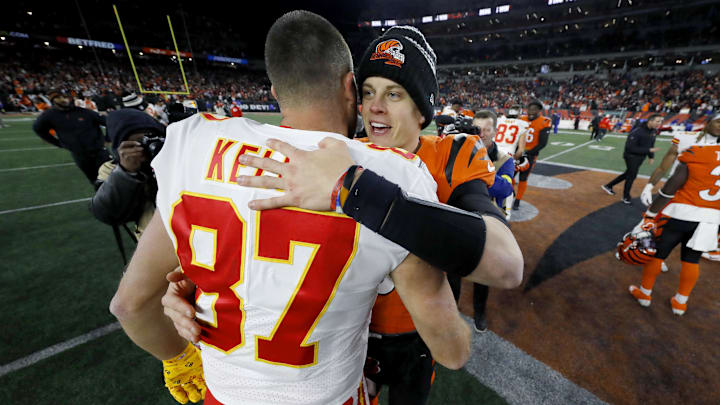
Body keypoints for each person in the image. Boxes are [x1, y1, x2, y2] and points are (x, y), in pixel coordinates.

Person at [110, 11, 473, 405]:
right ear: (350, 87)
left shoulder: (194, 145)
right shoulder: (393, 173)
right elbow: (452, 352)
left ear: (275, 91)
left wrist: (179, 355)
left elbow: (129, 305)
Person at [627, 112, 720, 315]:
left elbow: (671, 186)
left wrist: (650, 213)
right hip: (710, 217)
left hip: (681, 208)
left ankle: (645, 293)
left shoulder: (695, 151)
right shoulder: (689, 140)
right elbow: (665, 164)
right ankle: (680, 302)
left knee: (658, 253)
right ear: (709, 121)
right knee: (691, 259)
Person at [640, 115, 720, 262]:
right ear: (708, 122)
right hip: (676, 193)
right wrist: (649, 185)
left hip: (702, 200)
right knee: (649, 227)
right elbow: (664, 164)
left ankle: (707, 247)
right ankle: (649, 255)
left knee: (691, 241)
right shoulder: (686, 137)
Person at [90, 108, 166, 239]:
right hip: (155, 241)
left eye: (153, 137)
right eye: (140, 142)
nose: (150, 146)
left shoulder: (175, 154)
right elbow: (107, 213)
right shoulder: (111, 169)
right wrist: (127, 172)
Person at [32, 89, 110, 185]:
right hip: (80, 155)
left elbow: (108, 122)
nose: (64, 99)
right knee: (96, 182)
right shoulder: (49, 115)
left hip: (100, 152)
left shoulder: (84, 112)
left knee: (112, 179)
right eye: (59, 97)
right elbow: (38, 129)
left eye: (65, 96)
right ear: (53, 100)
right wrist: (58, 143)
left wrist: (108, 138)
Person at [601, 114, 662, 204]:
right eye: (657, 121)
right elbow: (630, 148)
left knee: (628, 173)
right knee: (631, 176)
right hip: (631, 156)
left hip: (641, 157)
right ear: (650, 121)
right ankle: (626, 196)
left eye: (660, 121)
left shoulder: (653, 131)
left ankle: (608, 186)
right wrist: (648, 150)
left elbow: (651, 144)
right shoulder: (637, 131)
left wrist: (651, 156)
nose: (659, 123)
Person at [514, 99, 552, 210]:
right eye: (530, 108)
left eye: (534, 109)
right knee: (510, 175)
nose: (531, 111)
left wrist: (525, 153)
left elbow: (542, 143)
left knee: (523, 178)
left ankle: (518, 200)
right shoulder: (521, 118)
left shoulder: (544, 121)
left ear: (539, 110)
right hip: (517, 152)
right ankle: (510, 194)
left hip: (530, 154)